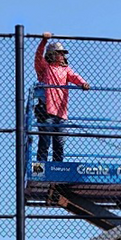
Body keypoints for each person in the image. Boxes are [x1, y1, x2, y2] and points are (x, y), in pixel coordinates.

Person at [32, 33, 90, 162]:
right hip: (46, 111)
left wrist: (82, 83)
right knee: (44, 142)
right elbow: (38, 57)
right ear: (52, 54)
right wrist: (44, 41)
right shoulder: (45, 68)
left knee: (59, 144)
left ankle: (58, 168)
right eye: (60, 53)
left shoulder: (65, 69)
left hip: (61, 112)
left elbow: (74, 76)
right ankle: (40, 169)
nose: (63, 56)